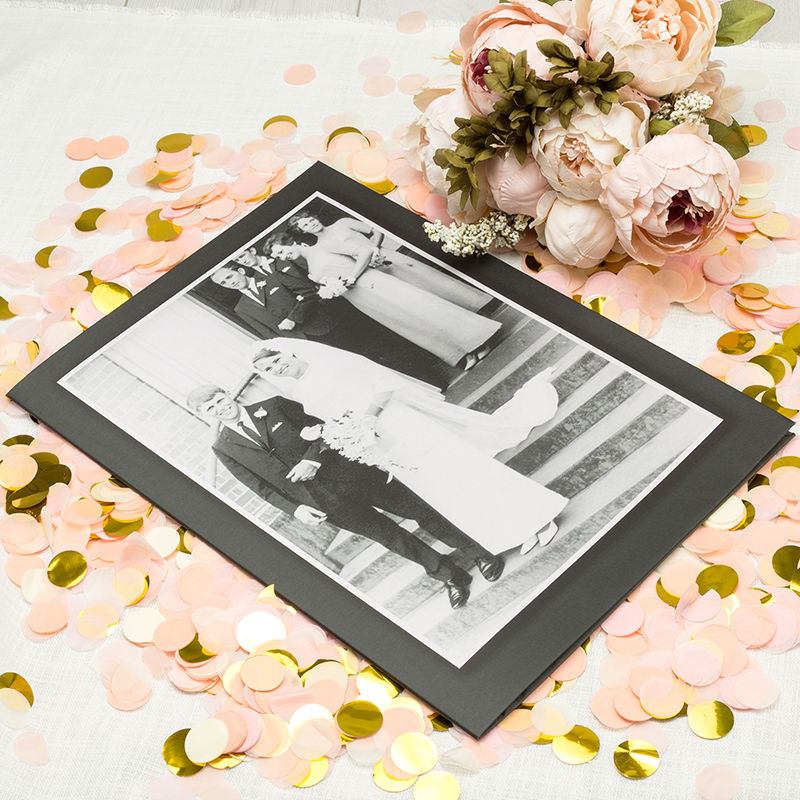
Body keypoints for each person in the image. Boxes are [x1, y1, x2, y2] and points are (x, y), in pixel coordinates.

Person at [187, 386, 506, 609]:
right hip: (321, 503)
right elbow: (260, 488)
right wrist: (297, 510)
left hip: (352, 474)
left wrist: (312, 460)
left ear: (228, 395)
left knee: (418, 511)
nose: (220, 408)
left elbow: (324, 429)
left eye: (219, 399)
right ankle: (449, 575)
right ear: (204, 415)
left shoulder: (273, 406)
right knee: (388, 537)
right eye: (210, 408)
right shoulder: (223, 448)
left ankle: (478, 552)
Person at [250, 338, 568, 556]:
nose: (277, 368)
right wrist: (341, 434)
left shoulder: (331, 363)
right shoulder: (301, 394)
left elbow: (382, 384)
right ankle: (513, 531)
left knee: (465, 470)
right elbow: (332, 420)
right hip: (378, 443)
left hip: (398, 421)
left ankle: (538, 518)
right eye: (269, 369)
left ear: (288, 353)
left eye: (276, 360)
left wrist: (367, 418)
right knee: (444, 488)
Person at [267, 229, 501, 370]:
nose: (283, 256)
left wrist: (352, 276)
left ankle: (477, 341)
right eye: (278, 256)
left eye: (281, 250)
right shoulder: (308, 268)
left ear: (291, 242)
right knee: (411, 325)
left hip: (376, 284)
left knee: (425, 310)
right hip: (362, 300)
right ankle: (461, 353)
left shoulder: (324, 246)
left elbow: (364, 252)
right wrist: (330, 290)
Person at [209, 257, 452, 390]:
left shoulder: (271, 277)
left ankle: (432, 379)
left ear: (239, 271)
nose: (230, 282)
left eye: (229, 276)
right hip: (314, 344)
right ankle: (415, 390)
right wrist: (298, 351)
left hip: (333, 323)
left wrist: (293, 318)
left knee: (383, 349)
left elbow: (308, 292)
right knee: (366, 366)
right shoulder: (241, 308)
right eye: (223, 283)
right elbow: (270, 336)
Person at [287, 212, 493, 314]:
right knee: (417, 295)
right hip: (370, 272)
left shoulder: (342, 223)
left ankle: (477, 303)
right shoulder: (321, 246)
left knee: (426, 279)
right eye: (306, 225)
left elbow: (374, 230)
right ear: (302, 231)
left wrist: (374, 247)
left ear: (315, 218)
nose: (311, 224)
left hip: (384, 256)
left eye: (311, 219)